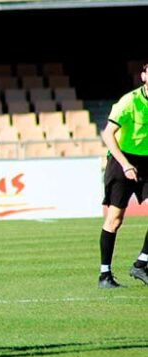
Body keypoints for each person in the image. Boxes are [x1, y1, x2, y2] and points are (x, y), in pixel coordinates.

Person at [98, 61, 148, 289]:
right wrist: (126, 164)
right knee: (115, 220)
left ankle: (141, 263)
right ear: (144, 76)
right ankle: (104, 274)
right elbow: (107, 134)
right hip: (122, 160)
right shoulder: (129, 101)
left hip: (147, 162)